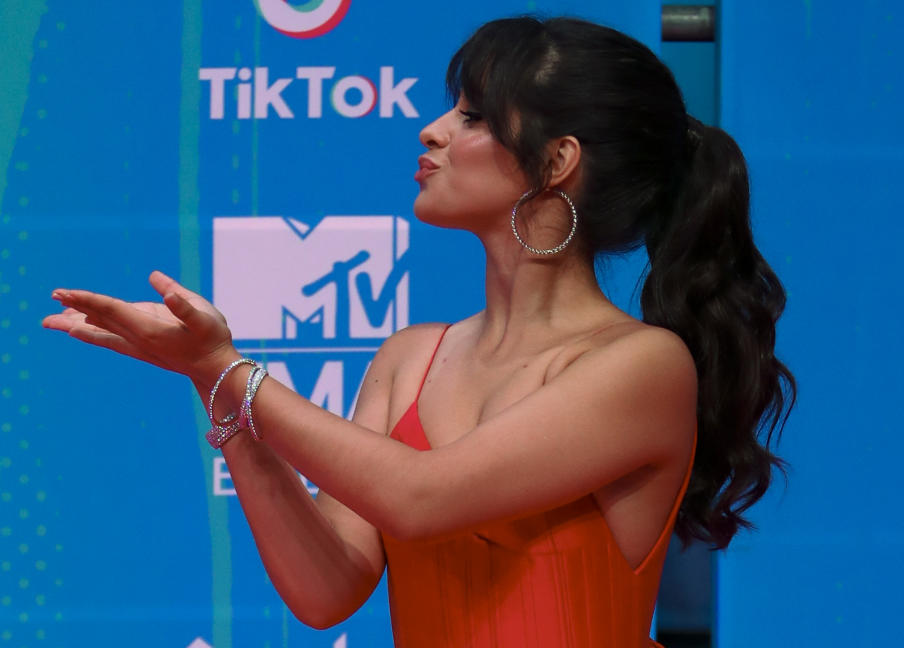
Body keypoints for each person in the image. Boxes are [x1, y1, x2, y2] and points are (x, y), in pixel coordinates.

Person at [43, 16, 795, 648]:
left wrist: (233, 368)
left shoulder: (642, 365)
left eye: (471, 116)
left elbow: (420, 498)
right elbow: (326, 590)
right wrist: (216, 387)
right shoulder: (410, 356)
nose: (430, 130)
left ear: (557, 161)